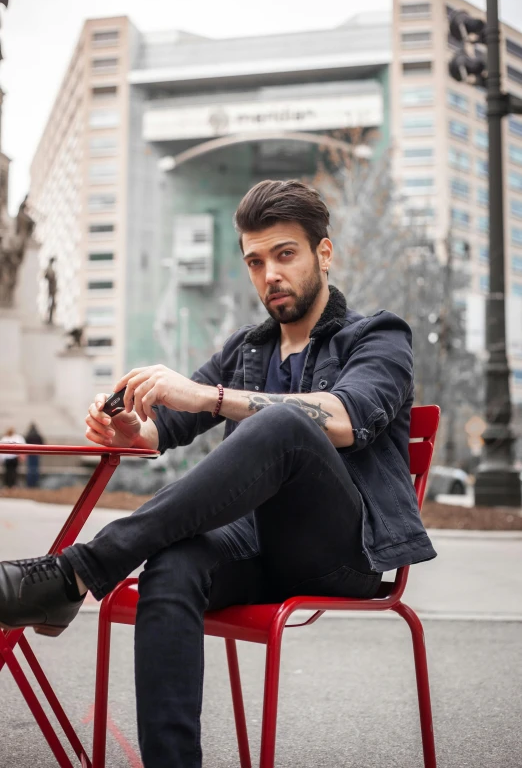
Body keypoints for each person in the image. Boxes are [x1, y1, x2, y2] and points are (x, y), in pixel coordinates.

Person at [0, 180, 437, 768]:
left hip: (339, 551)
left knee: (288, 425)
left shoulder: (379, 337)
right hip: (254, 549)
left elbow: (343, 418)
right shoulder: (248, 349)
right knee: (174, 565)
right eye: (255, 262)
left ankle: (76, 572)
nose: (269, 275)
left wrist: (208, 393)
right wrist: (133, 431)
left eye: (285, 255)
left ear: (323, 254)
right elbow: (167, 431)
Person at [24, 423, 45, 488]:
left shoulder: (28, 435)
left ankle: (29, 484)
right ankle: (36, 483)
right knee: (36, 469)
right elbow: (42, 443)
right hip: (36, 453)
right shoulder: (38, 435)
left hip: (30, 454)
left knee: (30, 469)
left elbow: (25, 443)